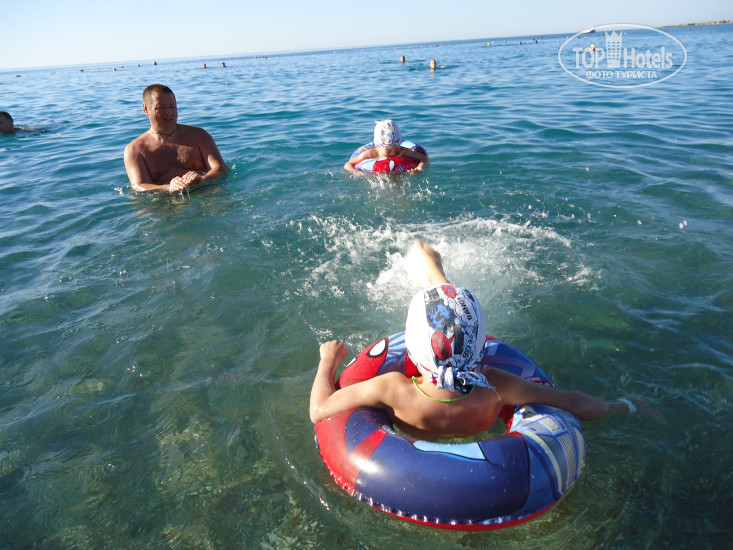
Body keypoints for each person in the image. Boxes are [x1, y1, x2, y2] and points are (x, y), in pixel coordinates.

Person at [310, 240, 651, 439]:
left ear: (411, 347)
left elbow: (319, 409)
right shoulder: (495, 386)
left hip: (405, 448)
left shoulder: (392, 389)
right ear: (481, 348)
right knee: (452, 310)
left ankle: (433, 267)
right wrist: (623, 407)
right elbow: (569, 402)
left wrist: (328, 361)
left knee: (443, 307)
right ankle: (436, 270)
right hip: (479, 425)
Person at [124, 84, 228, 193]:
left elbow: (221, 169)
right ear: (146, 109)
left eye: (172, 106)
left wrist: (202, 180)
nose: (169, 113)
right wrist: (169, 188)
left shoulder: (199, 136)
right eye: (161, 107)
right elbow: (138, 186)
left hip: (204, 193)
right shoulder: (135, 149)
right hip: (166, 200)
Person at [344, 120, 429, 174]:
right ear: (377, 146)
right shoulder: (370, 154)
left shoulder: (403, 151)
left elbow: (423, 158)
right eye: (388, 149)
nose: (393, 152)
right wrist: (356, 172)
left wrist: (419, 168)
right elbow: (348, 164)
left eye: (396, 147)